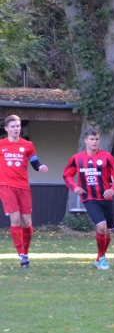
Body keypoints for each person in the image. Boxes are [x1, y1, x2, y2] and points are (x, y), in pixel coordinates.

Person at [63, 129, 114, 270]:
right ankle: (102, 259)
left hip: (106, 198)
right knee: (101, 226)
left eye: (97, 139)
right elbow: (66, 175)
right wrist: (75, 187)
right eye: (92, 139)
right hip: (89, 197)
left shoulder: (107, 157)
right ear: (86, 141)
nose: (94, 142)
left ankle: (99, 258)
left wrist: (113, 189)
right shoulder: (77, 158)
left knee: (107, 231)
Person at [1, 114, 48, 268]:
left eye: (18, 126)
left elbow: (35, 162)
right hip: (6, 186)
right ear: (6, 128)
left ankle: (25, 253)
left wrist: (41, 167)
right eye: (13, 126)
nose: (16, 129)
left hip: (23, 186)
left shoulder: (28, 145)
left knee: (27, 222)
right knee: (15, 219)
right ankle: (21, 254)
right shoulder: (1, 145)